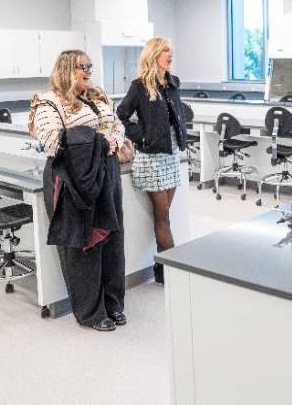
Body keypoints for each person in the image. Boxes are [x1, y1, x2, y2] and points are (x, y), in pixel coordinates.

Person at [31, 50, 126, 332]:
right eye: (81, 66)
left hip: (106, 172)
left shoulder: (99, 96)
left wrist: (113, 140)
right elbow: (51, 141)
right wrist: (98, 140)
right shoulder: (49, 102)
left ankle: (112, 303)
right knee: (83, 244)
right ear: (65, 69)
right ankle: (90, 312)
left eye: (89, 66)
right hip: (72, 177)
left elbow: (118, 125)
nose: (88, 70)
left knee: (112, 239)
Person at [117, 36, 186, 284]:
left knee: (165, 214)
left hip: (171, 155)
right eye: (166, 50)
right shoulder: (140, 86)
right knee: (162, 215)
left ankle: (162, 269)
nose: (170, 54)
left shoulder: (173, 83)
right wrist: (141, 137)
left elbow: (175, 117)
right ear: (153, 54)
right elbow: (120, 117)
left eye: (171, 50)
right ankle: (172, 270)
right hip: (150, 159)